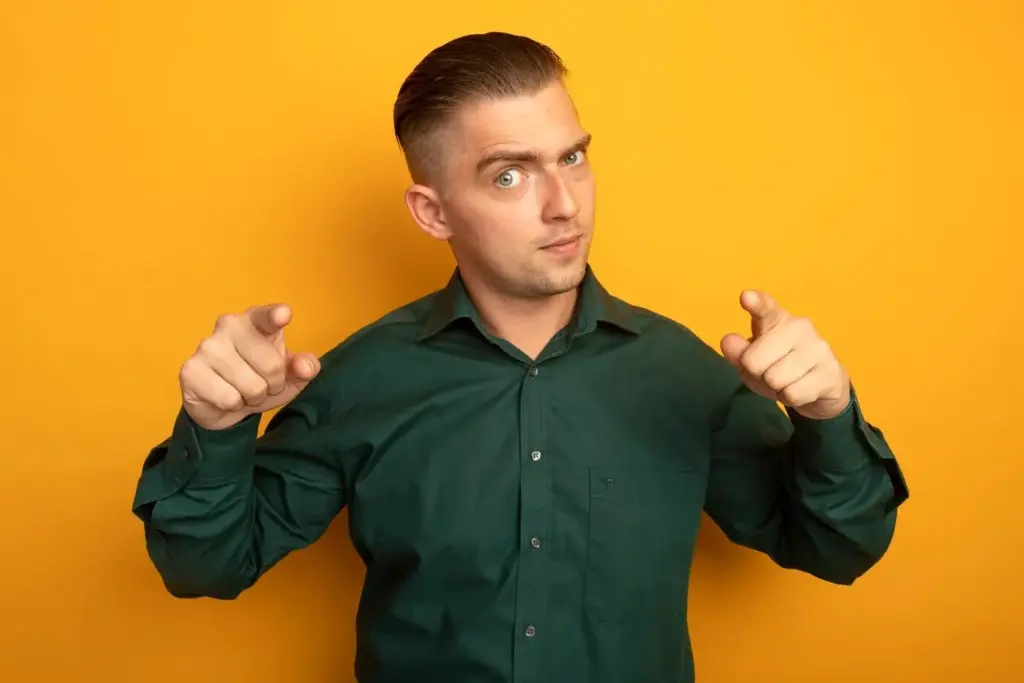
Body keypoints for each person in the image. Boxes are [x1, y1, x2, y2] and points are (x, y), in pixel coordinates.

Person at [131, 31, 909, 683]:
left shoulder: (684, 373)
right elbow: (206, 567)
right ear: (432, 212)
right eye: (510, 174)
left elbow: (838, 548)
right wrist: (217, 428)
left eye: (572, 158)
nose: (564, 204)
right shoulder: (359, 380)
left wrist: (828, 416)